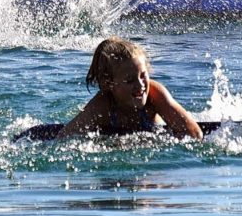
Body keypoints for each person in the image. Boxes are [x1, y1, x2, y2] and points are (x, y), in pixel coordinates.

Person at [58, 37, 202, 140]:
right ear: (109, 84)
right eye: (129, 80)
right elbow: (64, 137)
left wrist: (149, 143)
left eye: (143, 75)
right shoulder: (102, 105)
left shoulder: (155, 94)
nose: (140, 85)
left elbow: (194, 134)